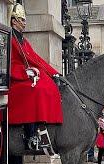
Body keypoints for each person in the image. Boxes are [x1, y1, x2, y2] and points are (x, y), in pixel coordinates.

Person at [8, 4, 63, 152]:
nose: (25, 23)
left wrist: (53, 73)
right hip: (15, 78)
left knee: (48, 83)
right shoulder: (10, 38)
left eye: (24, 20)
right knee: (36, 90)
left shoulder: (22, 40)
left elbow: (36, 59)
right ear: (14, 21)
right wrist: (25, 72)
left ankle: (43, 125)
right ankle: (30, 134)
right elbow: (8, 63)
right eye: (21, 20)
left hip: (26, 74)